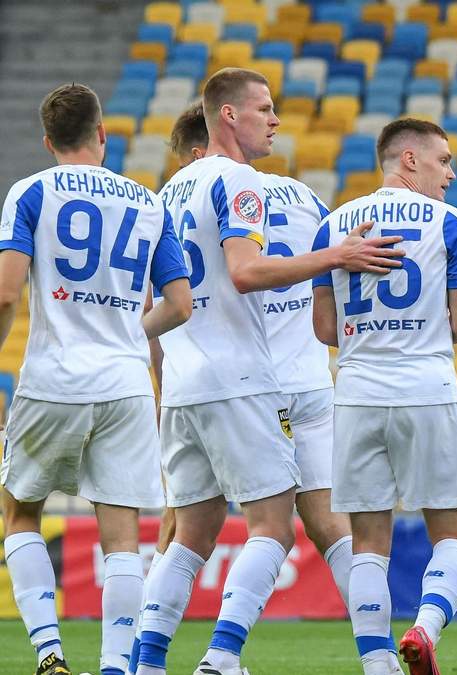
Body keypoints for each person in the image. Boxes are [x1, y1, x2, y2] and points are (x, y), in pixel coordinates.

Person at [133, 68, 403, 675]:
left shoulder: (165, 195)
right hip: (258, 379)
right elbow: (252, 271)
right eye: (265, 109)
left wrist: (159, 387)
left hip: (188, 381)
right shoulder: (263, 187)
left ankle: (144, 664)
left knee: (191, 534)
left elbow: (161, 298)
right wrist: (338, 255)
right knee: (285, 529)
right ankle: (225, 657)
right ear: (228, 117)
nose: (275, 120)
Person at [0, 83, 192, 675]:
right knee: (122, 538)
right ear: (102, 134)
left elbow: (6, 293)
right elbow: (180, 304)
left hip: (53, 379)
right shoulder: (149, 203)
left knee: (20, 514)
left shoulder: (31, 192)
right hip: (126, 385)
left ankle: (51, 656)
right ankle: (114, 667)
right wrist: (130, 334)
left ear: (48, 141)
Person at [312, 118, 457, 675]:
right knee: (454, 533)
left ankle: (377, 667)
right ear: (409, 159)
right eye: (443, 161)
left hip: (357, 393)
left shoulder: (333, 225)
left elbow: (324, 329)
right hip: (426, 389)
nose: (451, 174)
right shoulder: (450, 223)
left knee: (367, 545)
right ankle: (424, 628)